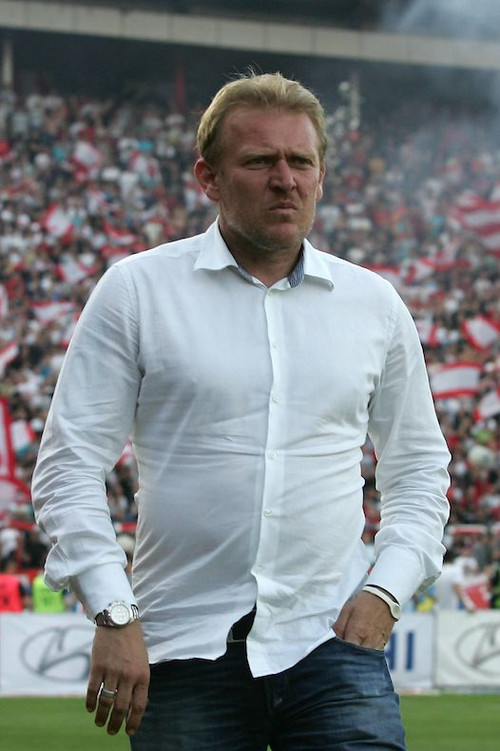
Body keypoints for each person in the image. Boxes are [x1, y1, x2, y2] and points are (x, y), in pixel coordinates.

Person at [32, 71, 451, 750]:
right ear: (210, 178)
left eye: (301, 162)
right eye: (260, 161)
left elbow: (420, 468)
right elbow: (68, 465)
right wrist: (112, 610)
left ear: (320, 176)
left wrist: (386, 590)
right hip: (183, 642)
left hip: (332, 642)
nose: (285, 180)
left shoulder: (374, 305)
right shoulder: (137, 291)